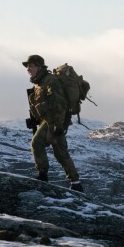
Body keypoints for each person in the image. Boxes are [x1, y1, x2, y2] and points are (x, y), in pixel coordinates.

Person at [23, 55, 83, 192]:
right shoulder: (39, 84)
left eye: (30, 66)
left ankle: (42, 175)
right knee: (60, 153)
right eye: (27, 67)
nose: (28, 69)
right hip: (50, 121)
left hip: (54, 121)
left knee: (37, 142)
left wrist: (57, 126)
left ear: (39, 67)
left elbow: (59, 105)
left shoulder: (50, 81)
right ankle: (76, 183)